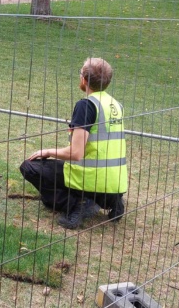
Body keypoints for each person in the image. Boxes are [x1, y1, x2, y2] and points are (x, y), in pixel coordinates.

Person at [19, 58, 127, 229]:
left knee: (29, 167)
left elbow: (76, 154)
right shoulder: (116, 105)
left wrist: (47, 151)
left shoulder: (87, 106)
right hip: (116, 182)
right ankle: (113, 200)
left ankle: (76, 204)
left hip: (92, 178)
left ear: (84, 79)